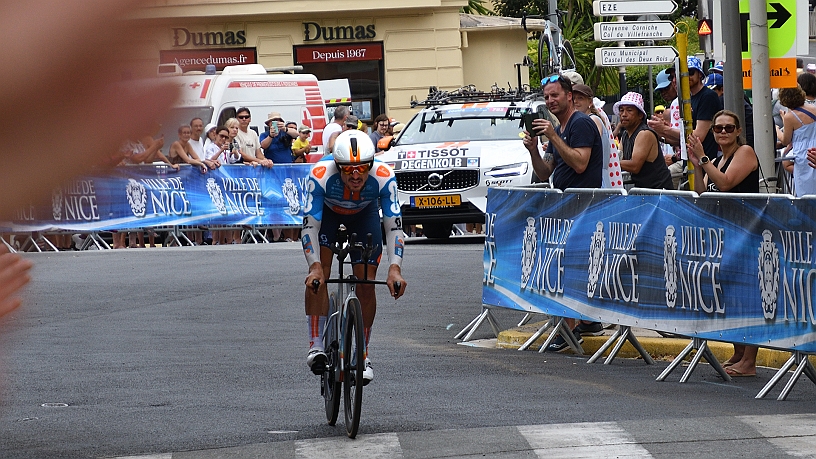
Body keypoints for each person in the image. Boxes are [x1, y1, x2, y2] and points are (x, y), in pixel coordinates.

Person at [302, 130, 406, 383]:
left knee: (366, 282)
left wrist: (395, 269)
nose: (356, 174)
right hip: (329, 215)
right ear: (337, 166)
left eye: (362, 168)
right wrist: (314, 267)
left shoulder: (383, 177)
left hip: (364, 215)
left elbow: (394, 228)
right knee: (321, 275)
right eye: (348, 170)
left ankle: (362, 354)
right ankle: (316, 346)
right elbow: (309, 228)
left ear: (371, 164)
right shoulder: (320, 175)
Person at [522, 73, 603, 350]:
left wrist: (554, 136)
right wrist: (534, 149)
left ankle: (568, 331)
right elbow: (545, 172)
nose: (550, 101)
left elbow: (581, 164)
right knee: (570, 267)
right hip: (566, 207)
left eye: (555, 95)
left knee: (564, 268)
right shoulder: (560, 127)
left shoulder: (580, 124)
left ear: (569, 96)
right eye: (546, 97)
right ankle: (587, 322)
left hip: (583, 207)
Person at [687, 110, 759, 377]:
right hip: (726, 235)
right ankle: (739, 353)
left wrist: (704, 159)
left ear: (738, 131)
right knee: (731, 296)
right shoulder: (717, 159)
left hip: (746, 232)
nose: (723, 132)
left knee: (747, 296)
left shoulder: (745, 152)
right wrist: (697, 164)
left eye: (729, 128)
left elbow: (726, 183)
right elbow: (701, 193)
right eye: (718, 129)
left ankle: (750, 360)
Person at [615, 92, 674, 189]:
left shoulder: (644, 133)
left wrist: (609, 162)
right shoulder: (625, 135)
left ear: (640, 115)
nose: (624, 114)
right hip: (644, 191)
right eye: (621, 110)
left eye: (629, 110)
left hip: (659, 192)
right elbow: (620, 157)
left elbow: (634, 166)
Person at [572, 83, 623, 189]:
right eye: (573, 98)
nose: (575, 102)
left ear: (590, 102)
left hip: (597, 182)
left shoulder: (592, 120)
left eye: (580, 98)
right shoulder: (583, 120)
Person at [647, 68, 684, 188]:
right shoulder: (677, 103)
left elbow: (683, 138)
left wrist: (662, 130)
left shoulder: (677, 103)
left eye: (666, 88)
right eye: (660, 91)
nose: (663, 93)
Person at [779, 86, 816, 196]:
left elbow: (785, 140)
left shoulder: (790, 117)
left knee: (805, 190)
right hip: (814, 146)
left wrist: (777, 131)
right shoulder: (813, 107)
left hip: (803, 152)